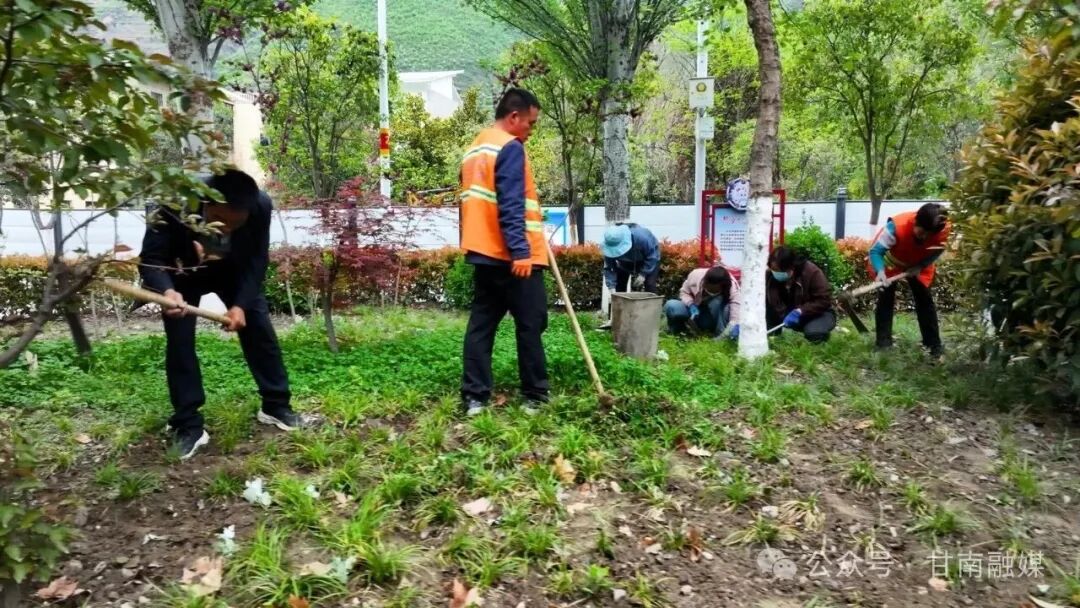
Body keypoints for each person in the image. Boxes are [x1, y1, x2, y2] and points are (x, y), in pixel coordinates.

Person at [139, 169, 308, 460]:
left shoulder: (260, 205)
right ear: (206, 203)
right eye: (220, 219)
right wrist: (167, 291)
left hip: (233, 272)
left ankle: (275, 405)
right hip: (182, 273)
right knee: (180, 342)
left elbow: (257, 259)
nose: (227, 228)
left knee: (260, 330)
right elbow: (151, 259)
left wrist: (241, 304)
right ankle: (188, 424)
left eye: (235, 223)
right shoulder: (173, 202)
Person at [459, 87, 548, 417]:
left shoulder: (475, 148)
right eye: (530, 123)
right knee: (531, 323)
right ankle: (535, 395)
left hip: (483, 253)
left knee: (481, 326)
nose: (531, 130)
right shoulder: (510, 147)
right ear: (513, 117)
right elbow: (511, 204)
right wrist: (521, 252)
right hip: (513, 257)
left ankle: (475, 398)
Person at [868, 202, 950, 358]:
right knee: (886, 297)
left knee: (925, 301)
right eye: (922, 232)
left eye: (929, 235)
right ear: (916, 222)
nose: (924, 237)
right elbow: (876, 252)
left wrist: (921, 266)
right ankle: (883, 343)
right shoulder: (896, 227)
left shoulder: (942, 230)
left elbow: (938, 249)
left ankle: (933, 345)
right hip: (891, 260)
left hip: (918, 264)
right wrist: (880, 272)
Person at [766, 246, 836, 343]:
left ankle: (819, 335)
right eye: (773, 269)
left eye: (778, 270)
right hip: (785, 314)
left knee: (815, 333)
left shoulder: (812, 272)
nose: (775, 273)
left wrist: (801, 311)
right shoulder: (770, 276)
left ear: (791, 268)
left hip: (815, 314)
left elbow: (824, 300)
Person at [664, 265, 742, 339]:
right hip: (696, 311)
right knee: (672, 305)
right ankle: (678, 334)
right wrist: (691, 304)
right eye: (709, 289)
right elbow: (684, 292)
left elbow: (735, 317)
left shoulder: (732, 288)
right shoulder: (695, 276)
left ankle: (716, 334)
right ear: (704, 282)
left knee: (718, 303)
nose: (710, 292)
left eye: (714, 291)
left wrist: (726, 333)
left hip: (713, 317)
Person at [601, 223, 661, 294]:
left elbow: (652, 256)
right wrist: (612, 288)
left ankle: (652, 301)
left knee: (650, 284)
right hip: (624, 262)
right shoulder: (609, 248)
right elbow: (610, 268)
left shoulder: (642, 237)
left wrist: (643, 274)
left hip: (648, 259)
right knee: (619, 287)